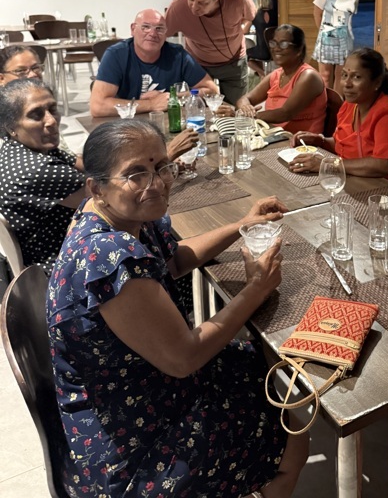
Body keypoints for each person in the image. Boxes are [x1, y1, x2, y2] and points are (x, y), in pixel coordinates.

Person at [47, 119, 308, 497]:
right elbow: (185, 358)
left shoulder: (119, 216)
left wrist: (243, 225)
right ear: (96, 186)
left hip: (137, 386)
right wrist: (256, 288)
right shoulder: (108, 258)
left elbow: (175, 259)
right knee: (294, 438)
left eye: (161, 167)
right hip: (131, 441)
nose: (156, 183)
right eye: (135, 174)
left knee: (254, 365)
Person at [289, 47, 388, 178]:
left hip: (384, 187)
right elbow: (344, 145)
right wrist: (320, 140)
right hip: (352, 178)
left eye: (356, 77)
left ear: (377, 82)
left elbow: (384, 165)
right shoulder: (350, 106)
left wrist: (328, 164)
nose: (347, 84)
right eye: (344, 75)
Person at [0, 79, 86, 271]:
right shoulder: (38, 168)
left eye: (53, 109)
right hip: (59, 266)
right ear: (11, 127)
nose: (52, 121)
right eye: (36, 115)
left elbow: (82, 163)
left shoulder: (21, 147)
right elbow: (107, 197)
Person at [90, 8, 217, 117]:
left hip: (167, 121)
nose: (153, 33)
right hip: (127, 123)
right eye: (145, 27)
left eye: (159, 29)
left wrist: (172, 97)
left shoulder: (178, 55)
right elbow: (97, 106)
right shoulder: (116, 54)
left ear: (166, 33)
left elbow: (212, 90)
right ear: (133, 29)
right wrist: (151, 104)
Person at [166, 0, 257, 105]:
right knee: (197, 108)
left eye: (202, 3)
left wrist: (241, 29)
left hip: (234, 61)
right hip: (198, 65)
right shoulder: (177, 6)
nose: (194, 7)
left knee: (236, 108)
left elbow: (251, 17)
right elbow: (161, 36)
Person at [221, 24, 327, 135]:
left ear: (299, 50)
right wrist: (245, 109)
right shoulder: (276, 74)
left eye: (283, 44)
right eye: (273, 43)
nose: (276, 48)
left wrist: (244, 115)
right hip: (274, 135)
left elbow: (285, 113)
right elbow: (246, 98)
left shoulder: (308, 76)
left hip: (300, 141)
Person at [312, 0, 359, 93]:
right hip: (326, 37)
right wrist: (323, 32)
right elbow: (317, 14)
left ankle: (337, 102)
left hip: (344, 38)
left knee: (341, 76)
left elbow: (350, 18)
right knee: (325, 75)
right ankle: (324, 101)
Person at [246, 0, 277, 77]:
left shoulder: (255, 14)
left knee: (246, 55)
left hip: (261, 51)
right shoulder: (277, 14)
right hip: (275, 50)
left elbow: (244, 31)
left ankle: (264, 75)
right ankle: (262, 76)